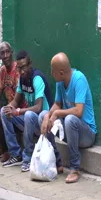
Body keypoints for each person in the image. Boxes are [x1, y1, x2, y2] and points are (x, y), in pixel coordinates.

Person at [1, 50, 63, 173]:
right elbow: (16, 101)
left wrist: (18, 112)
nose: (22, 71)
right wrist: (10, 108)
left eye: (24, 67)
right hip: (31, 122)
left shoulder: (37, 78)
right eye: (19, 68)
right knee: (4, 111)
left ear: (30, 64)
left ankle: (27, 158)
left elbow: (38, 107)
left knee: (29, 114)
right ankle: (15, 154)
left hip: (44, 121)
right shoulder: (22, 79)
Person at [40, 52, 97, 184]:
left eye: (53, 71)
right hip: (68, 130)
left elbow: (78, 111)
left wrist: (57, 114)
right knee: (43, 116)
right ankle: (57, 162)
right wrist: (48, 116)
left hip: (86, 134)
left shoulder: (79, 79)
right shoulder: (60, 82)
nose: (51, 73)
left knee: (70, 119)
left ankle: (74, 168)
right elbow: (57, 104)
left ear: (61, 72)